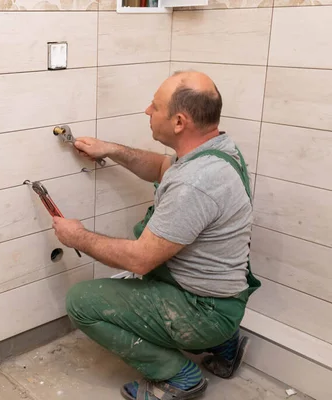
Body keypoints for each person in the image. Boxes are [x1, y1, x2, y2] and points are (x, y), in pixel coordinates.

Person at [51, 70, 261, 400]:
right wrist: (110, 149)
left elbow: (141, 259)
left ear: (179, 122)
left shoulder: (196, 183)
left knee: (82, 302)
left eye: (155, 106)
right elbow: (164, 167)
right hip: (221, 297)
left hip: (202, 308)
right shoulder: (217, 149)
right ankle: (225, 344)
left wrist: (76, 236)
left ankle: (178, 377)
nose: (147, 111)